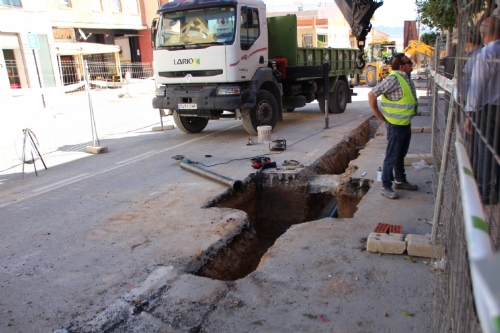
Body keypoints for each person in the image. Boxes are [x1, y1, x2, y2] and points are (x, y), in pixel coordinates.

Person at [368, 53, 419, 199]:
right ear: (402, 66)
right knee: (391, 156)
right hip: (395, 125)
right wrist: (378, 114)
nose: (412, 64)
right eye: (409, 62)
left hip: (404, 123)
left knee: (400, 155)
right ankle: (386, 186)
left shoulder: (406, 78)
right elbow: (372, 94)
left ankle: (400, 180)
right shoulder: (393, 79)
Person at [465, 16, 500, 204]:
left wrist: (469, 114)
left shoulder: (486, 54)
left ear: (483, 33)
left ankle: (485, 193)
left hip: (488, 111)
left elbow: (477, 87)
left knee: (486, 151)